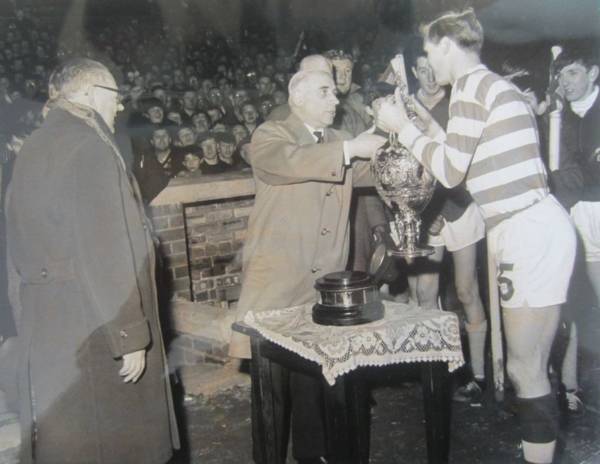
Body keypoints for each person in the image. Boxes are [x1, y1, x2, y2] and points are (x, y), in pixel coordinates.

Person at [377, 10, 576, 464]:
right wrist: (419, 123)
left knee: (527, 368)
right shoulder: (488, 87)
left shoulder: (468, 88)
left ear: (446, 44)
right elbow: (459, 147)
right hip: (529, 226)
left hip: (527, 231)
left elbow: (448, 170)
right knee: (530, 366)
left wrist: (400, 128)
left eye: (428, 51)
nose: (427, 61)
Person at [6, 58, 179, 463]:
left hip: (48, 329)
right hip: (96, 326)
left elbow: (14, 248)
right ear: (89, 94)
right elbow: (108, 250)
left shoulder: (32, 148)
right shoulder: (90, 147)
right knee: (119, 443)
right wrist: (131, 336)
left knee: (73, 444)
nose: (119, 108)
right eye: (116, 96)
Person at [229, 69, 385, 464]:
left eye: (335, 92)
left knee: (313, 386)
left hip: (322, 289)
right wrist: (351, 150)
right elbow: (290, 162)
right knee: (273, 391)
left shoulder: (337, 140)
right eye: (324, 92)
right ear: (296, 97)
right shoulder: (271, 135)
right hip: (279, 284)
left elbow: (376, 170)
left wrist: (395, 133)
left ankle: (313, 457)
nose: (335, 99)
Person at [401, 36, 488, 404]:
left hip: (460, 207)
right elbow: (403, 169)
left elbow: (464, 166)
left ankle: (479, 374)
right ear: (413, 72)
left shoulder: (459, 104)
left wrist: (445, 208)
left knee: (466, 290)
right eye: (420, 69)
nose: (429, 74)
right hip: (426, 214)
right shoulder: (404, 109)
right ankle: (436, 369)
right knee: (424, 294)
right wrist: (424, 214)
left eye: (431, 66)